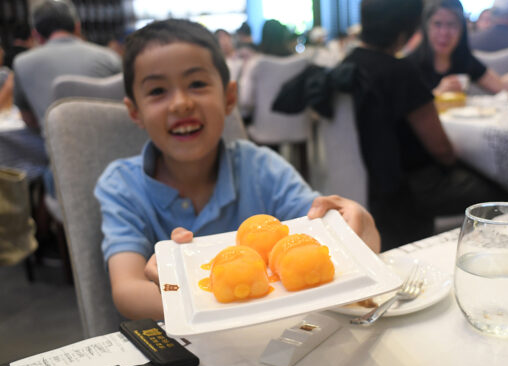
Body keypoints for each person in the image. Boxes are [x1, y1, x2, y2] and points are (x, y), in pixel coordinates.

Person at [94, 19, 380, 321]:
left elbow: (352, 244)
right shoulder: (122, 185)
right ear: (135, 111)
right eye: (157, 91)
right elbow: (127, 292)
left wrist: (362, 225)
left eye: (197, 84)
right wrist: (201, 288)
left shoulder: (261, 168)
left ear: (229, 97)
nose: (180, 103)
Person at [341, 0, 508, 251]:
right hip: (410, 190)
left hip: (370, 188)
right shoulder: (399, 72)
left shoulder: (348, 65)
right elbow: (442, 151)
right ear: (408, 29)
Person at [12, 0, 121, 133]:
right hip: (113, 141)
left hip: (56, 150)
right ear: (77, 27)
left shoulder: (22, 62)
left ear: (36, 35)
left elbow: (29, 120)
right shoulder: (109, 57)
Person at [408, 0, 508, 95]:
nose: (444, 33)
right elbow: (404, 111)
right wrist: (438, 94)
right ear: (426, 28)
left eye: (451, 25)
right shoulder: (410, 65)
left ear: (462, 30)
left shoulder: (463, 59)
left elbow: (500, 85)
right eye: (437, 24)